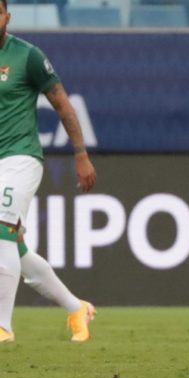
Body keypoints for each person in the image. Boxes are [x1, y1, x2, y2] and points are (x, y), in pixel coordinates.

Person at [0, 0, 97, 343]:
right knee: (15, 245)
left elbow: (61, 103)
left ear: (6, 18)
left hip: (20, 158)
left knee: (2, 229)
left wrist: (81, 154)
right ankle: (76, 308)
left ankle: (3, 327)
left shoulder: (27, 56)